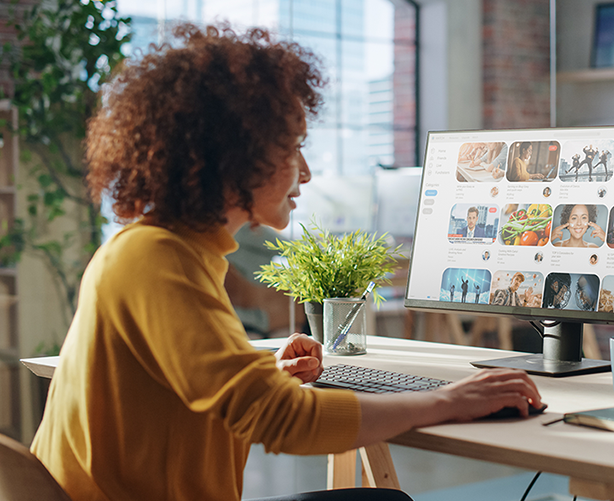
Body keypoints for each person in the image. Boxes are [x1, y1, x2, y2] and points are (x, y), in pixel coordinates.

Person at [30, 25, 542, 501]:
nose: (308, 171)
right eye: (293, 148)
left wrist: (259, 372)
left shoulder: (169, 251)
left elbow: (180, 385)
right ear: (234, 158)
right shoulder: (155, 258)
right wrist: (449, 401)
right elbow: (280, 421)